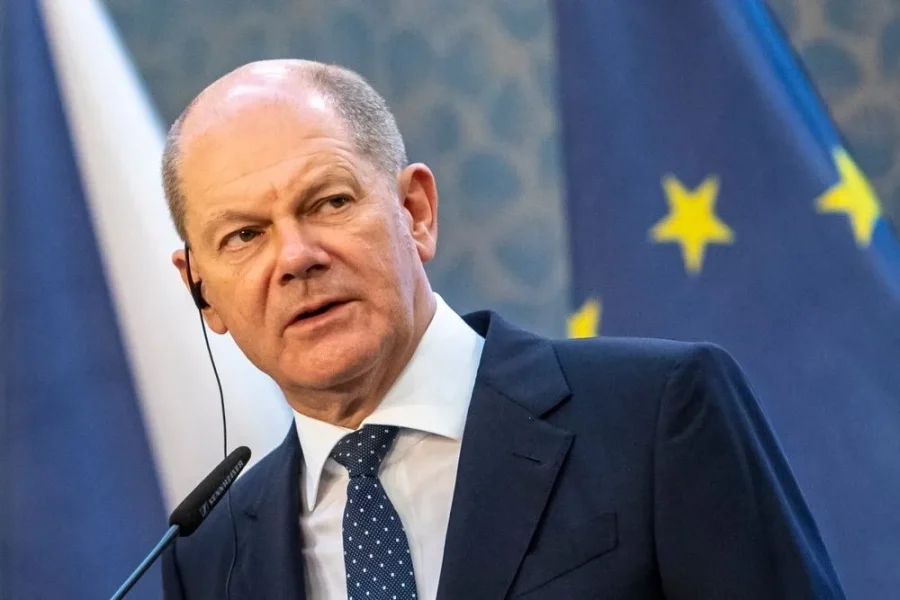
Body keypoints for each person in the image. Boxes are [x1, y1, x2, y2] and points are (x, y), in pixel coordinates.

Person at [160, 59, 845, 599]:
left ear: (415, 212)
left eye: (330, 201)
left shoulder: (657, 413)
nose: (296, 257)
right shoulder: (208, 554)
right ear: (201, 291)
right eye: (244, 236)